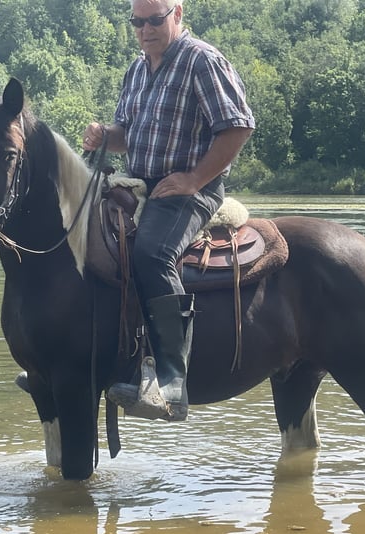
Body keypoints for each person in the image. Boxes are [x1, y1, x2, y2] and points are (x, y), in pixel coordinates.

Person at [82, 0, 255, 422]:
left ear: (177, 13)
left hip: (187, 189)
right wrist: (105, 134)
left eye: (154, 20)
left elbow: (238, 125)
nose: (145, 30)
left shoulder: (203, 60)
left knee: (153, 254)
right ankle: (95, 361)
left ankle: (172, 384)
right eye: (137, 22)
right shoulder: (137, 69)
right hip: (138, 184)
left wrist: (195, 179)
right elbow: (126, 133)